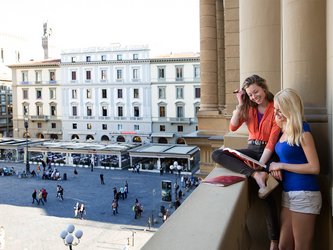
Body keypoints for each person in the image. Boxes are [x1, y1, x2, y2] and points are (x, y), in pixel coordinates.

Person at [211, 74, 281, 249]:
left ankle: (274, 240)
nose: (254, 97)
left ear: (264, 88)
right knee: (218, 154)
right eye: (250, 94)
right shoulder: (248, 108)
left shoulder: (275, 108)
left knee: (267, 197)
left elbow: (271, 142)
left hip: (268, 153)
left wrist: (262, 165)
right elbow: (233, 126)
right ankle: (254, 175)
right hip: (251, 150)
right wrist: (241, 103)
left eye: (256, 92)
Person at [269, 88, 322, 250]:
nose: (276, 113)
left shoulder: (303, 132)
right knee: (284, 246)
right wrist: (273, 166)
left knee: (301, 247)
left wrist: (282, 165)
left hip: (304, 193)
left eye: (280, 110)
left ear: (289, 108)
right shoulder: (284, 130)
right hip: (288, 193)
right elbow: (280, 155)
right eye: (275, 109)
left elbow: (315, 167)